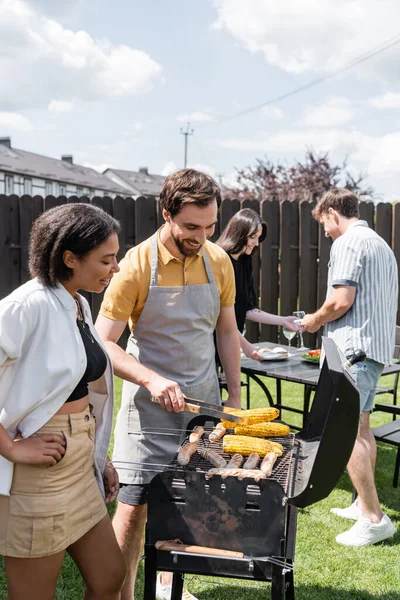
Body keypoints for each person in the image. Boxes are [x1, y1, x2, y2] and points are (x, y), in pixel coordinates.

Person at [95, 168, 241, 600]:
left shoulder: (219, 261)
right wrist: (150, 378)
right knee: (134, 508)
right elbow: (103, 342)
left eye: (210, 225)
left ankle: (165, 587)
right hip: (148, 410)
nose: (202, 235)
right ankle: (120, 593)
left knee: (187, 508)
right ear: (167, 215)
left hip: (202, 407)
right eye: (192, 226)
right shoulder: (135, 265)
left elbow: (227, 332)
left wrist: (232, 393)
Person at [0, 203, 126, 599]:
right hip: (41, 470)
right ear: (70, 258)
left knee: (109, 577)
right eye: (107, 259)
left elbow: (75, 389)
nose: (116, 268)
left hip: (78, 458)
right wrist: (12, 447)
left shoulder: (77, 302)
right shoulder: (26, 306)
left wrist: (96, 455)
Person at [302, 189, 398, 547]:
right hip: (374, 350)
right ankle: (362, 504)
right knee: (361, 427)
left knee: (347, 433)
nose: (325, 232)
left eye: (323, 224)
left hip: (352, 351)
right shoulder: (380, 245)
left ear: (330, 213)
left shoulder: (347, 243)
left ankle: (374, 518)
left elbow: (341, 300)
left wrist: (313, 320)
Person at [216, 208, 298, 360]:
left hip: (229, 344)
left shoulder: (245, 262)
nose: (256, 243)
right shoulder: (219, 260)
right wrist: (245, 345)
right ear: (238, 233)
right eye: (252, 237)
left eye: (258, 238)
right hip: (211, 344)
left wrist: (283, 321)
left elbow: (248, 309)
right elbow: (217, 315)